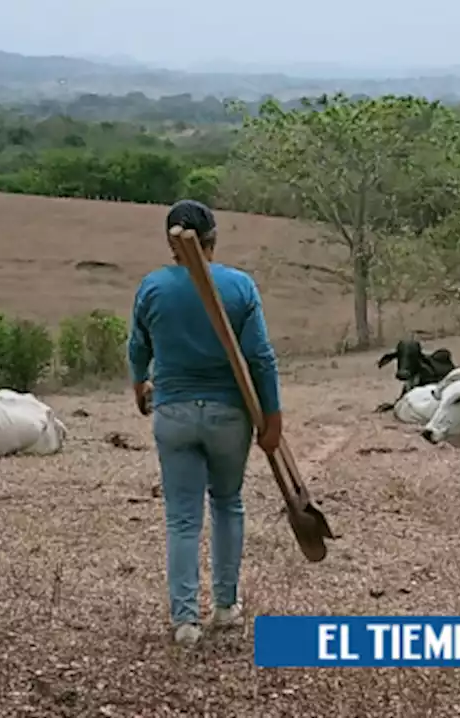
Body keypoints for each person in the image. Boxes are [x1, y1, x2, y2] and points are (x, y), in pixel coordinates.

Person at [127, 199, 283, 648]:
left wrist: (140, 386)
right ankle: (225, 605)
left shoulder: (151, 288)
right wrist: (273, 417)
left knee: (181, 519)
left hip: (173, 412)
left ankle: (184, 621)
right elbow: (260, 357)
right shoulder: (239, 286)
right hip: (228, 415)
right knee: (227, 502)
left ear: (170, 243)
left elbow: (138, 349)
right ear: (213, 239)